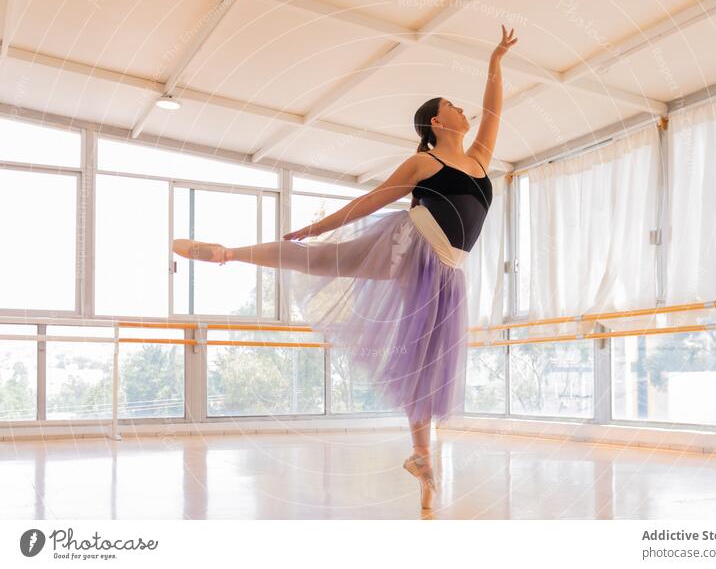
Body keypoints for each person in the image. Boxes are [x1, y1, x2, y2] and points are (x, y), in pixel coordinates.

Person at [173, 25, 518, 509]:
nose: (464, 110)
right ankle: (229, 253)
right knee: (320, 258)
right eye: (453, 105)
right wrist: (318, 227)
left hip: (449, 272)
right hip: (409, 245)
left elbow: (496, 109)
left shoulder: (480, 158)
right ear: (437, 122)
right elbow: (369, 201)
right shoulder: (423, 164)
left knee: (427, 365)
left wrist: (495, 63)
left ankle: (422, 456)